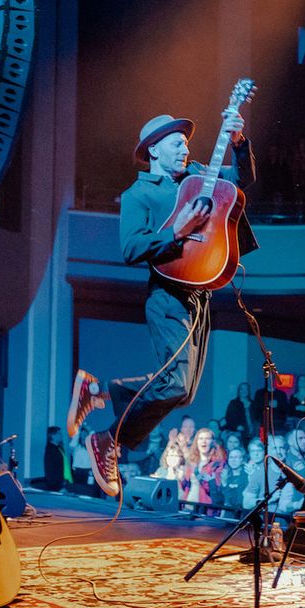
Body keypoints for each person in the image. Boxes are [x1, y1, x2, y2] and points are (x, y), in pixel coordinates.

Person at [76, 108, 256, 496]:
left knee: (185, 391)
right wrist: (176, 230)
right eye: (176, 144)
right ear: (154, 149)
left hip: (202, 294)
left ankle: (99, 393)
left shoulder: (199, 178)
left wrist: (238, 145)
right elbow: (130, 247)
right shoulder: (138, 194)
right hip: (167, 294)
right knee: (174, 384)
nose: (184, 150)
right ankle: (108, 439)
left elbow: (241, 182)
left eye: (186, 144)